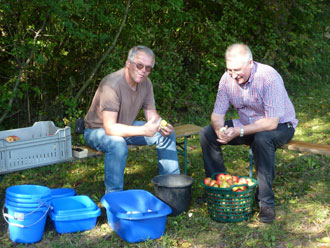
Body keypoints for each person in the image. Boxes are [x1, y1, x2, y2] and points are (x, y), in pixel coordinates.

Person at [200, 43, 298, 223]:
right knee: (206, 134)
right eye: (229, 70)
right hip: (246, 124)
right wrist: (219, 130)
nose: (233, 75)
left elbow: (271, 122)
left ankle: (265, 203)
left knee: (262, 139)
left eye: (237, 70)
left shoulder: (268, 77)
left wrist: (239, 131)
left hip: (281, 125)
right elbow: (217, 114)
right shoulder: (226, 79)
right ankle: (220, 189)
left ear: (250, 63)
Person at [84, 45, 180, 193]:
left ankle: (171, 188)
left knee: (165, 133)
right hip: (97, 130)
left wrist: (161, 124)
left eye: (148, 68)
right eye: (139, 65)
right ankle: (114, 196)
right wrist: (143, 130)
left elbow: (152, 116)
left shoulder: (146, 84)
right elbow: (110, 128)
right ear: (128, 63)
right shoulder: (112, 84)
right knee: (117, 144)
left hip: (124, 126)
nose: (143, 71)